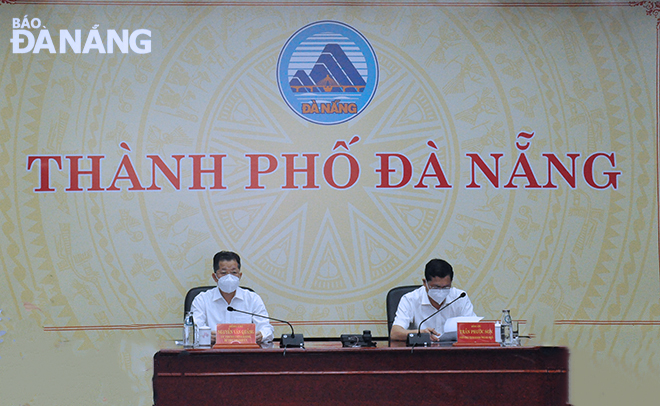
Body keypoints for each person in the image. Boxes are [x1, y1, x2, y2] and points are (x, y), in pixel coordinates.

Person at [191, 251, 274, 346]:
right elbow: (194, 331)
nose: (229, 277)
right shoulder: (202, 300)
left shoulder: (252, 299)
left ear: (240, 276)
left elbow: (267, 328)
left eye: (234, 272)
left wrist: (261, 335)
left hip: (246, 355)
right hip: (211, 355)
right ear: (215, 277)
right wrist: (206, 336)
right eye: (223, 273)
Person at [390, 258, 477, 341]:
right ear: (425, 283)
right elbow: (395, 333)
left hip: (453, 352)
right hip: (420, 352)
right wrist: (420, 333)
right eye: (436, 287)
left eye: (446, 287)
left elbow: (474, 330)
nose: (441, 291)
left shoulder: (460, 297)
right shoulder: (410, 299)